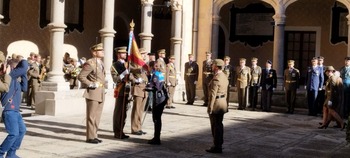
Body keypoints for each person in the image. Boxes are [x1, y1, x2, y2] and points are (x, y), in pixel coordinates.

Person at [0, 54, 28, 158]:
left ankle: (11, 154)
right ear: (13, 68)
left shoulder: (15, 80)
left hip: (15, 111)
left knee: (22, 131)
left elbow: (24, 88)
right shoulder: (10, 75)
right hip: (9, 110)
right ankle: (0, 152)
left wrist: (24, 74)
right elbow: (24, 66)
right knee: (13, 134)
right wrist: (22, 59)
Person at [77, 43, 106, 144]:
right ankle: (90, 137)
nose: (103, 52)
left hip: (101, 92)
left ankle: (95, 135)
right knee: (91, 115)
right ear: (94, 52)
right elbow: (81, 76)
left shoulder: (101, 63)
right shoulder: (90, 63)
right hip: (93, 92)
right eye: (100, 50)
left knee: (97, 116)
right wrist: (90, 84)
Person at [205, 59, 228, 153]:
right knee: (219, 125)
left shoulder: (216, 78)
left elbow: (213, 94)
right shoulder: (224, 76)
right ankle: (219, 144)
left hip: (216, 104)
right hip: (222, 103)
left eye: (213, 65)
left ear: (216, 66)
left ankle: (217, 146)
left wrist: (210, 107)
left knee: (215, 126)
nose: (212, 66)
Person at [146, 61, 168, 145]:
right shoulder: (159, 73)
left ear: (151, 67)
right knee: (158, 118)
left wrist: (148, 87)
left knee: (156, 118)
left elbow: (157, 87)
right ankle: (156, 137)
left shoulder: (155, 75)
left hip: (158, 99)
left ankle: (157, 138)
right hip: (162, 98)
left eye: (149, 67)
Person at [111, 46, 130, 139]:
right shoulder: (115, 65)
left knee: (124, 112)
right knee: (119, 112)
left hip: (126, 90)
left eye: (126, 53)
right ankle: (117, 131)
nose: (125, 54)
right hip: (120, 90)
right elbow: (116, 79)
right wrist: (124, 73)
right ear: (118, 54)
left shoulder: (127, 64)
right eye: (123, 53)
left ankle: (121, 130)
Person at [129, 48, 148, 135]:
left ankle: (139, 127)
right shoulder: (134, 64)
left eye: (145, 54)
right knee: (136, 109)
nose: (145, 55)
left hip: (144, 88)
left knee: (141, 110)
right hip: (138, 88)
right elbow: (129, 74)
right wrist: (134, 80)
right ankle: (134, 128)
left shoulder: (143, 64)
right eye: (143, 53)